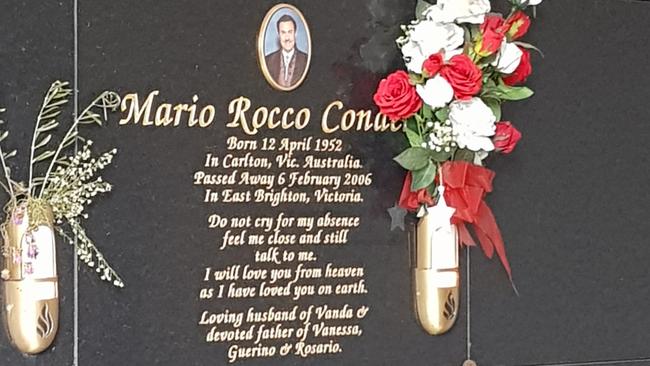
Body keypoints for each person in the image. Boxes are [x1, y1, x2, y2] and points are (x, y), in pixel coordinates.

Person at [265, 14, 308, 88]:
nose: (287, 38)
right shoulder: (268, 61)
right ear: (279, 35)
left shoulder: (306, 60)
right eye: (283, 32)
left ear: (295, 34)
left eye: (290, 32)